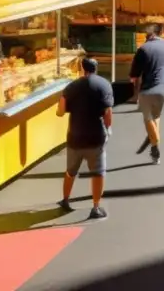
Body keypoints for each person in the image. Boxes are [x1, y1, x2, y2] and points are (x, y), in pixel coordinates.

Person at [56, 57, 114, 218]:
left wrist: (61, 111)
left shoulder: (72, 86)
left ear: (82, 68)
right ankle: (95, 207)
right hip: (96, 136)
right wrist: (108, 129)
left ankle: (65, 200)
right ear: (96, 68)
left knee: (70, 171)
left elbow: (61, 109)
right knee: (98, 173)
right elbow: (108, 112)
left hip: (75, 135)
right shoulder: (104, 85)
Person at [129, 23, 164, 164]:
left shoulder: (142, 49)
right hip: (163, 89)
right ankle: (154, 147)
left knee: (147, 118)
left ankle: (155, 143)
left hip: (147, 90)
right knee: (156, 117)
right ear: (161, 33)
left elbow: (133, 75)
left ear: (147, 36)